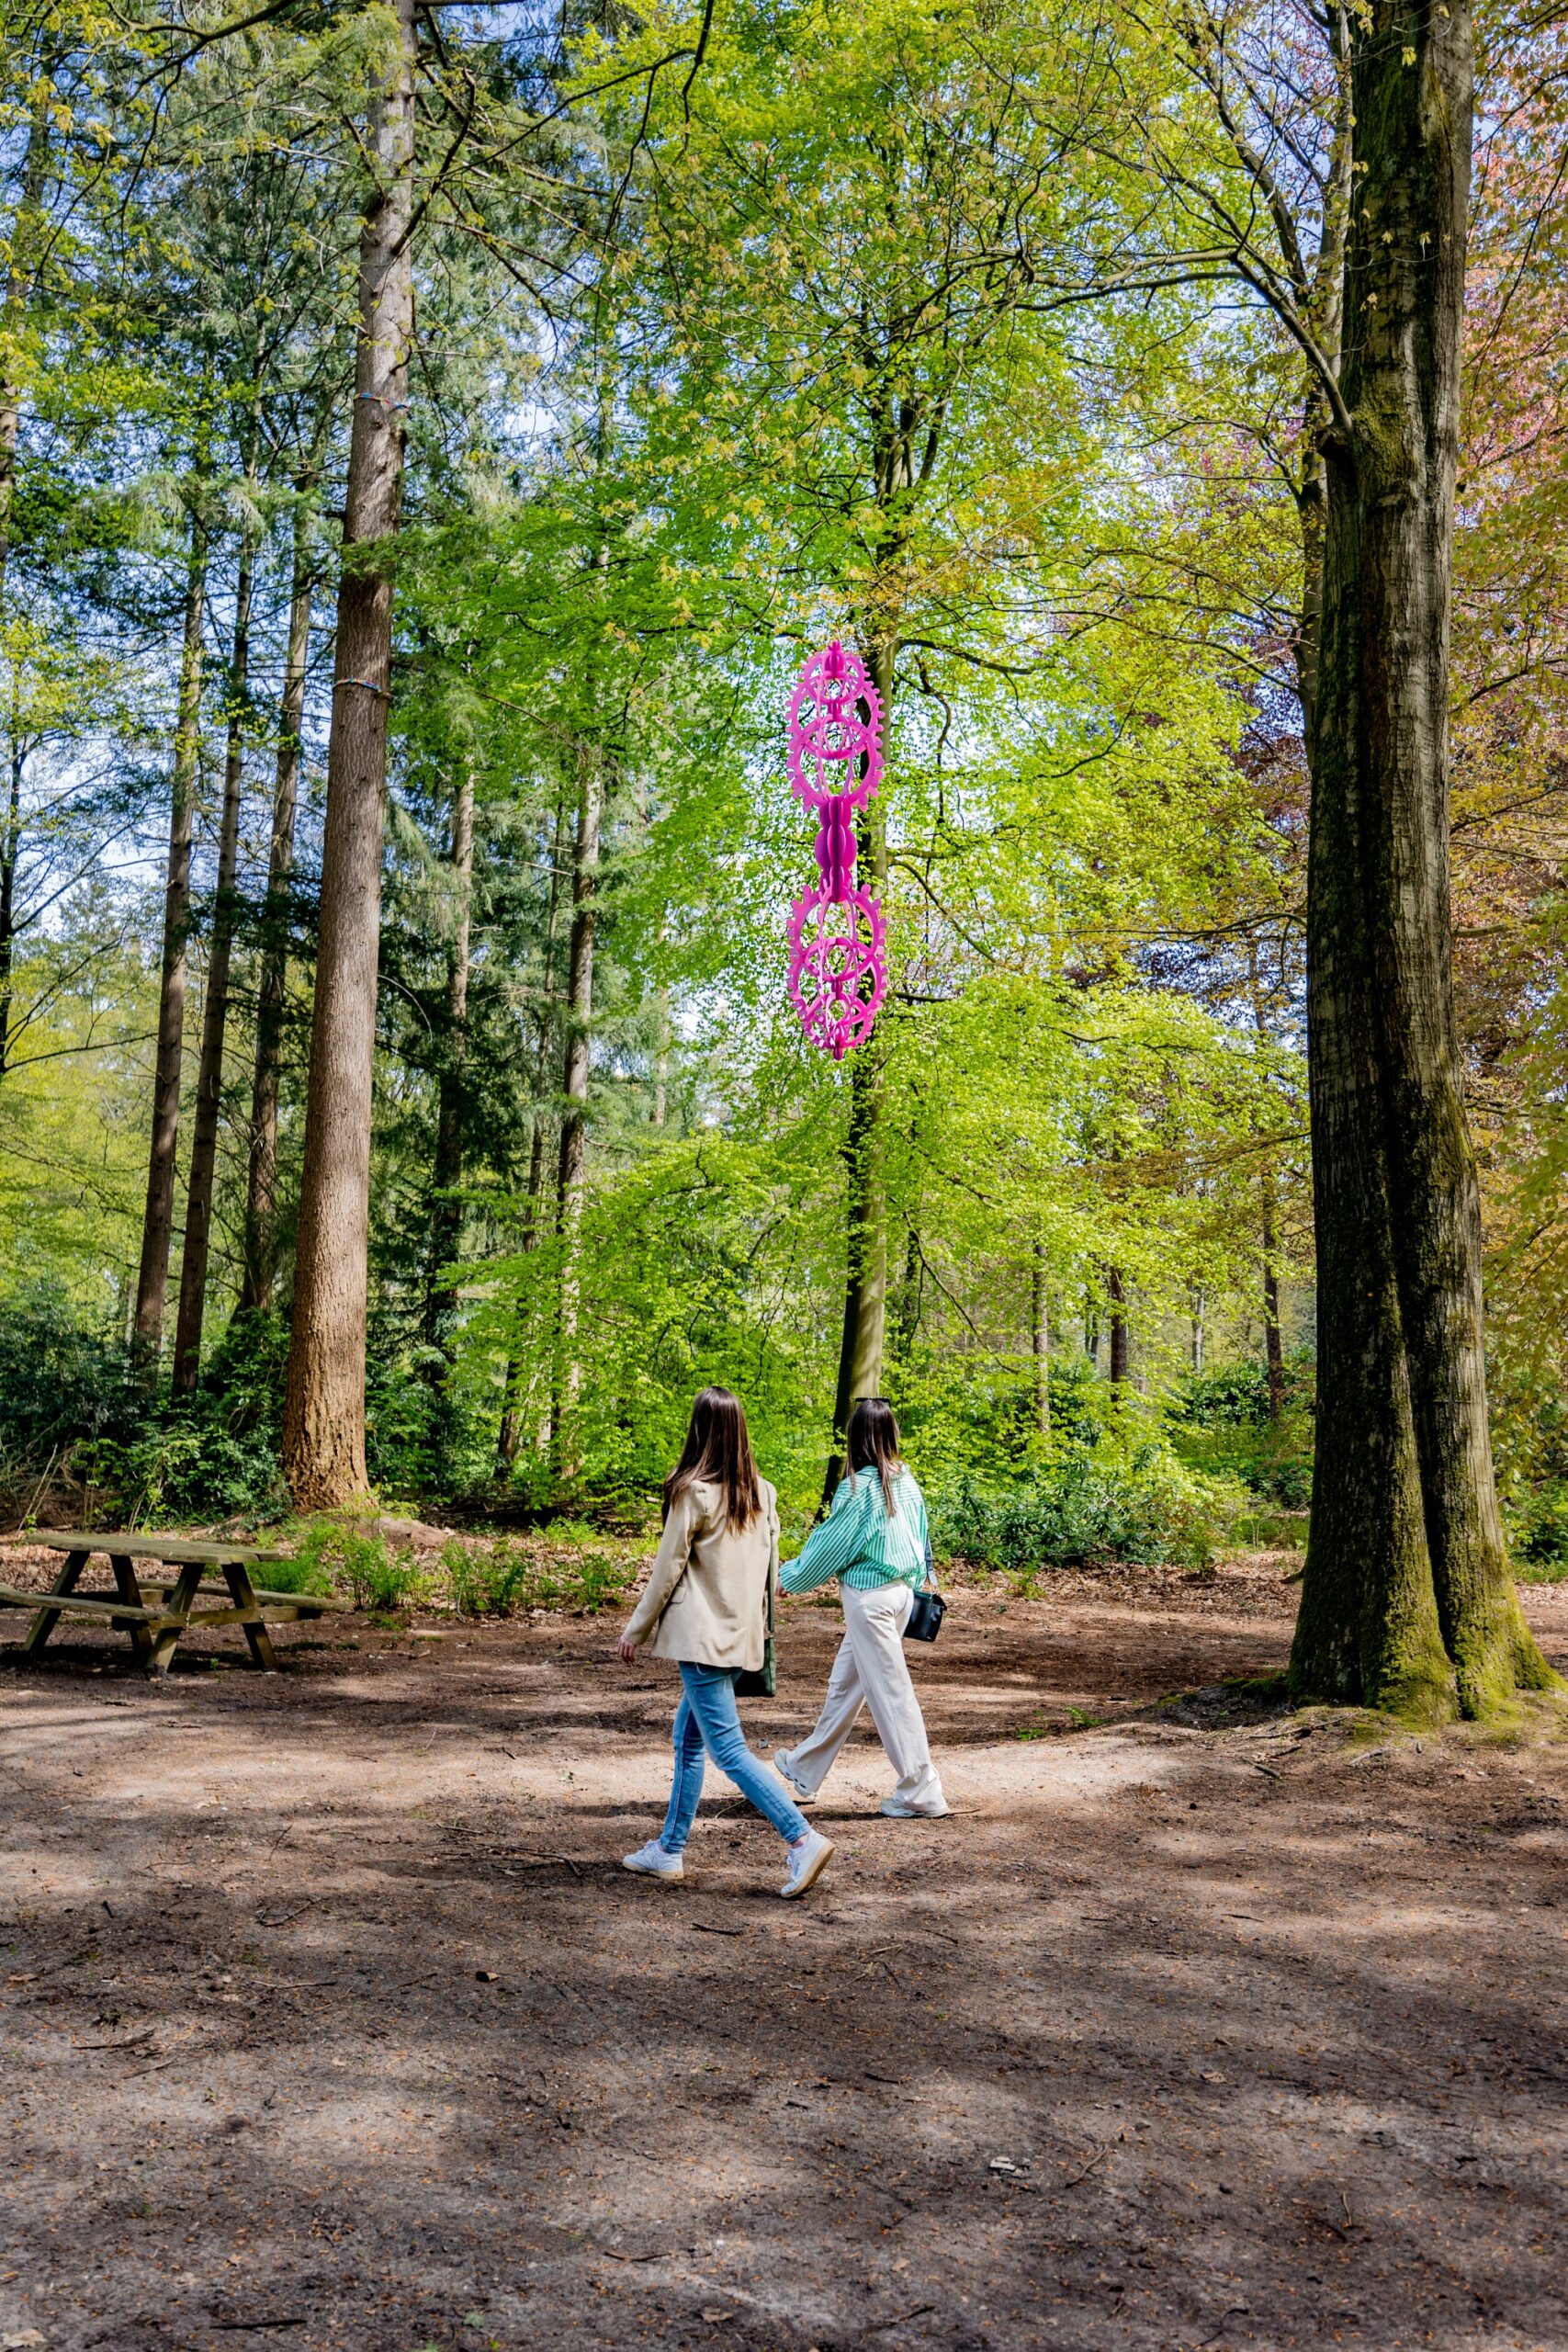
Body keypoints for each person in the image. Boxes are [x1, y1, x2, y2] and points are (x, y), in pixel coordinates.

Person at [616, 1385, 835, 1899]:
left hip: (701, 1641)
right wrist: (761, 1633)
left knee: (728, 1750)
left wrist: (635, 1629)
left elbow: (667, 1567)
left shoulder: (693, 1491)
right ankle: (669, 1850)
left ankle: (801, 1838)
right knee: (689, 1741)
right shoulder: (765, 1492)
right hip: (741, 1639)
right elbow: (769, 1573)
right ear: (740, 1432)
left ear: (700, 1430)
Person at [773, 1397, 950, 1819]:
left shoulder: (857, 1488)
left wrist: (789, 1576)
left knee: (891, 1694)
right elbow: (921, 1538)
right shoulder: (905, 1479)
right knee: (845, 1686)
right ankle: (805, 1769)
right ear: (891, 1435)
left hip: (870, 1605)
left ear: (854, 1437)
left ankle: (921, 1791)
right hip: (901, 1597)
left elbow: (832, 1545)